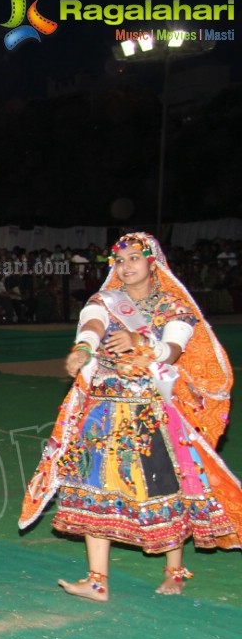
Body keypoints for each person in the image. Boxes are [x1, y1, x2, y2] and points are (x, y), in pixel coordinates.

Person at [22, 232, 242, 600]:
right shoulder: (104, 301)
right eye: (119, 261)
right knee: (93, 486)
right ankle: (96, 581)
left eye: (133, 259)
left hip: (151, 413)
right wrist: (83, 350)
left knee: (164, 489)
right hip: (102, 410)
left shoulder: (174, 306)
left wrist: (142, 343)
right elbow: (91, 325)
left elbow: (172, 348)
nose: (125, 267)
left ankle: (174, 570)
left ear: (152, 262)